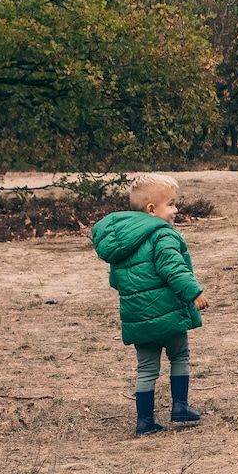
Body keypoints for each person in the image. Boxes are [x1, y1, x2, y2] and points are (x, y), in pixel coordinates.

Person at [90, 173, 208, 435]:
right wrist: (194, 293)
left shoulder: (122, 240)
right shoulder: (162, 234)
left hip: (138, 317)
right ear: (152, 209)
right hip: (168, 313)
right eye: (171, 204)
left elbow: (115, 280)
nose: (176, 210)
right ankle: (180, 407)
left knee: (146, 367)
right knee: (179, 355)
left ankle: (144, 421)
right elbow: (173, 270)